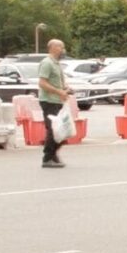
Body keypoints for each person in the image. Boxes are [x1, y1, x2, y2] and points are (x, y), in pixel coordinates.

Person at [37, 39, 72, 168]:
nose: (63, 50)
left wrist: (66, 88)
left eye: (63, 47)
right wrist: (59, 92)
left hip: (58, 100)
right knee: (53, 129)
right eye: (60, 47)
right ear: (52, 48)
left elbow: (58, 81)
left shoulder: (57, 63)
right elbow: (42, 83)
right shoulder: (47, 63)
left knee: (61, 130)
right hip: (49, 100)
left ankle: (53, 154)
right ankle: (47, 158)